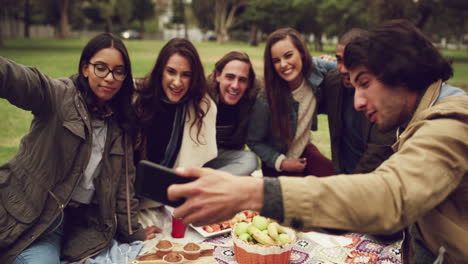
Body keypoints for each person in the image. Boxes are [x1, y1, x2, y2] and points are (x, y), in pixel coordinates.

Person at [168, 19, 468, 263]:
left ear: (403, 74)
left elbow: (390, 196)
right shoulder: (423, 113)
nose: (358, 102)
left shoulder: (451, 121)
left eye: (364, 84)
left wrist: (251, 192)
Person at [0, 33, 158, 264]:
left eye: (118, 71)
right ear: (85, 68)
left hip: (66, 226)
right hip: (20, 206)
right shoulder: (60, 95)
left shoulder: (121, 123)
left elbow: (124, 186)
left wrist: (134, 233)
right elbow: (19, 79)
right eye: (100, 68)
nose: (109, 78)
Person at [132, 38, 217, 226]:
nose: (177, 82)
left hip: (166, 196)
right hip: (127, 196)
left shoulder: (202, 107)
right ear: (160, 70)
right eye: (171, 72)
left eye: (186, 75)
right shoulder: (137, 97)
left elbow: (197, 163)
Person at [247, 27, 336, 177]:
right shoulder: (266, 98)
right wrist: (283, 163)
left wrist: (334, 60)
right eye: (276, 60)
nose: (283, 64)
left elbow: (346, 68)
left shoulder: (317, 69)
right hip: (278, 162)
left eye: (288, 55)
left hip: (305, 150)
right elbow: (253, 140)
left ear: (301, 52)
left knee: (336, 180)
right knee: (301, 197)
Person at [319, 28, 396, 174]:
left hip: (372, 181)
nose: (342, 69)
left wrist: (347, 187)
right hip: (342, 174)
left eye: (349, 61)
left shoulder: (383, 92)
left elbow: (377, 154)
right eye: (339, 60)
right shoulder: (333, 82)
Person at [203, 51, 260, 176]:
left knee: (250, 159)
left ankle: (209, 182)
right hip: (197, 156)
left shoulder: (253, 99)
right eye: (230, 77)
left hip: (225, 158)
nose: (235, 85)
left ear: (249, 83)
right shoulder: (201, 94)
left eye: (242, 80)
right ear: (218, 75)